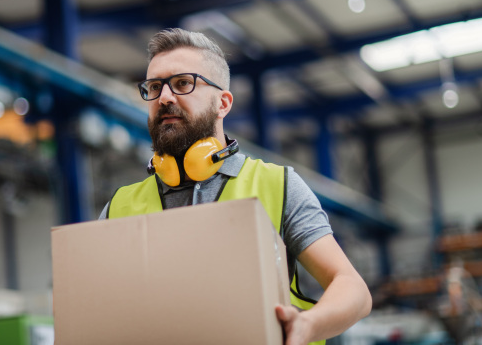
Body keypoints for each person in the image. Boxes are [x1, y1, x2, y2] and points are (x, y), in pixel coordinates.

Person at [99, 28, 372, 344]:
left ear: (223, 103)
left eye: (183, 83)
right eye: (154, 87)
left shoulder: (276, 185)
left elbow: (352, 288)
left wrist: (307, 325)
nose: (165, 98)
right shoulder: (119, 206)